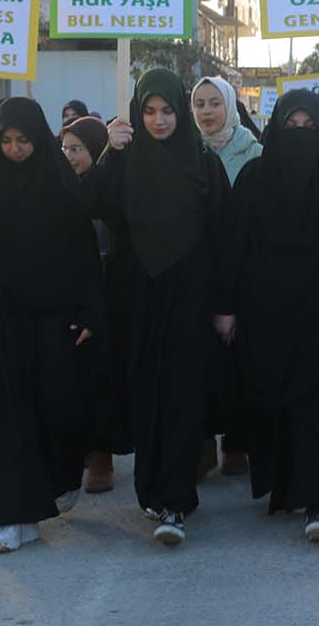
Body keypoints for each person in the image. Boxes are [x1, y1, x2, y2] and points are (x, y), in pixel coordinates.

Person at [219, 89, 319, 543]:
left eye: (311, 129)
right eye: (293, 127)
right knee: (277, 406)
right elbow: (232, 247)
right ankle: (287, 487)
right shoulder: (254, 178)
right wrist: (226, 308)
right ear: (276, 129)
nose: (301, 136)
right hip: (267, 315)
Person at [0, 99, 103, 552]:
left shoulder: (59, 185)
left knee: (53, 405)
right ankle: (12, 516)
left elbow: (83, 253)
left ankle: (54, 485)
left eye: (24, 140)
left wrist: (90, 311)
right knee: (7, 415)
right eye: (6, 140)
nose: (14, 149)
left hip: (53, 317)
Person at [87, 69, 230, 545]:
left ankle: (175, 499)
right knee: (145, 396)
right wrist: (111, 150)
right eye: (148, 111)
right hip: (136, 298)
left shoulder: (204, 163)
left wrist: (224, 306)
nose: (159, 120)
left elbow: (221, 238)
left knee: (182, 396)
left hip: (189, 298)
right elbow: (94, 203)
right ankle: (154, 491)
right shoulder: (125, 160)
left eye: (167, 110)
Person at [190, 74, 261, 478]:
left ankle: (237, 442)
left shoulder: (253, 154)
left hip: (241, 271)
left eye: (214, 103)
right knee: (196, 362)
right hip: (195, 272)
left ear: (230, 105)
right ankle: (201, 445)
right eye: (199, 104)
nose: (206, 112)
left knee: (238, 362)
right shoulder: (182, 152)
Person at [61, 115, 121, 493]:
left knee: (103, 378)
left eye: (78, 149)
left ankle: (102, 454)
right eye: (65, 149)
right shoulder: (55, 188)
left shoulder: (110, 187)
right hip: (69, 296)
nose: (69, 157)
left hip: (108, 293)